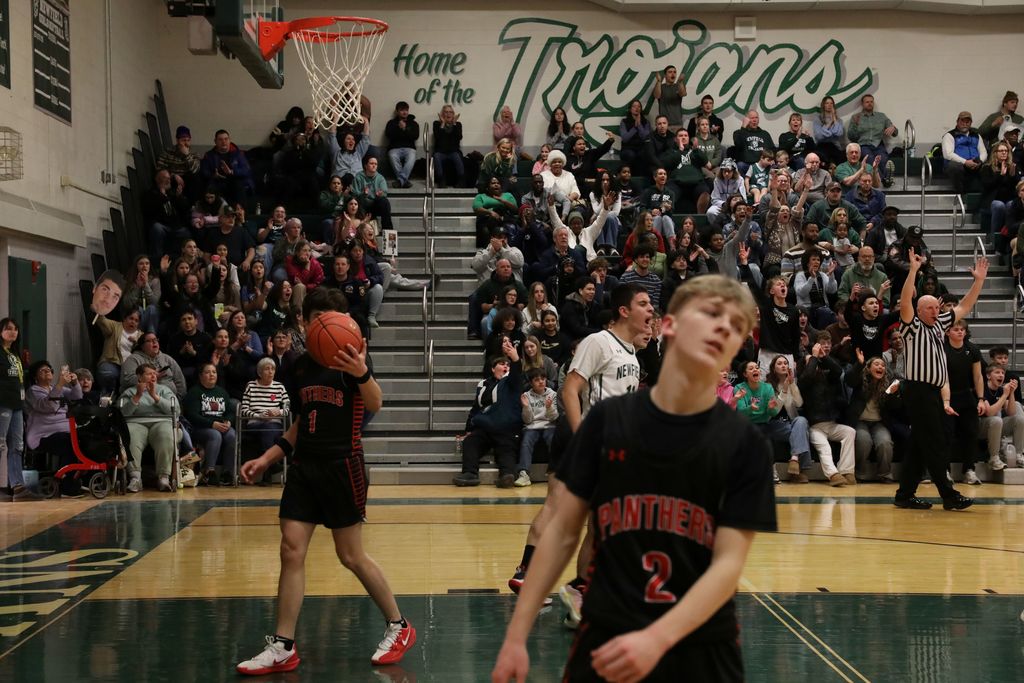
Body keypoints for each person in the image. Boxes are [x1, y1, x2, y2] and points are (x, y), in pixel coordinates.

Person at [493, 274, 773, 683]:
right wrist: (516, 635)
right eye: (710, 316)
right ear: (669, 326)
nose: (722, 330)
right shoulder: (607, 421)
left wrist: (657, 638)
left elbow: (729, 563)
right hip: (609, 632)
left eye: (735, 327)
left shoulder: (746, 445)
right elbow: (563, 532)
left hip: (698, 645)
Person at [237, 287, 415, 674]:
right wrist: (269, 456)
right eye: (314, 319)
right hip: (304, 467)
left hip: (342, 464)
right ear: (304, 322)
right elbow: (303, 421)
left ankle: (399, 626)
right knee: (291, 550)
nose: (321, 326)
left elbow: (376, 403)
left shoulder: (352, 360)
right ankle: (283, 645)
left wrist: (362, 372)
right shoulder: (299, 367)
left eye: (328, 320)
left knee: (350, 555)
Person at [893, 247, 987, 511]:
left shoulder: (940, 324)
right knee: (934, 441)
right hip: (917, 391)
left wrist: (978, 281)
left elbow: (965, 306)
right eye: (931, 307)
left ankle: (904, 495)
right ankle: (948, 495)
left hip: (933, 393)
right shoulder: (912, 326)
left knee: (919, 445)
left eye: (937, 306)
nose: (936, 310)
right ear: (921, 310)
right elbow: (904, 303)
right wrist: (912, 270)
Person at [25, 361, 84, 498]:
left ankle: (75, 479)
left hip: (68, 431)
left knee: (84, 439)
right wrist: (60, 384)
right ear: (35, 377)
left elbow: (77, 396)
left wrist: (75, 383)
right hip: (44, 435)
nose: (47, 372)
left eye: (49, 370)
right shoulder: (33, 391)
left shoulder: (58, 389)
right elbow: (48, 406)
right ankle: (66, 484)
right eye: (42, 371)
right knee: (70, 443)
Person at [119, 364, 179, 493]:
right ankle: (135, 478)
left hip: (162, 421)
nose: (153, 376)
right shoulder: (129, 392)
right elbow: (122, 414)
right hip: (136, 422)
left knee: (166, 435)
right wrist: (137, 396)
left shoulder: (164, 390)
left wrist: (155, 396)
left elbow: (176, 411)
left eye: (154, 373)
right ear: (139, 377)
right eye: (149, 373)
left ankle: (163, 478)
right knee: (130, 435)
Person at [943, 319, 985, 485]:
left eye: (962, 330)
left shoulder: (972, 349)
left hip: (966, 396)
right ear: (948, 332)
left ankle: (969, 470)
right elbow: (942, 378)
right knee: (946, 434)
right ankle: (944, 471)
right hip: (947, 396)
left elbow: (978, 376)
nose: (960, 332)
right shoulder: (942, 349)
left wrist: (981, 399)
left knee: (971, 433)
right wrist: (945, 401)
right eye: (956, 329)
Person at [0, 318, 37, 501]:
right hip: (3, 404)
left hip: (17, 405)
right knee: (0, 445)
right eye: (8, 329)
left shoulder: (14, 354)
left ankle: (18, 487)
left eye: (15, 329)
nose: (13, 332)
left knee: (17, 446)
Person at [184, 363, 237, 487]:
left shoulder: (222, 392)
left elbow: (230, 412)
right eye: (208, 372)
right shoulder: (194, 392)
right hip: (200, 428)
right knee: (215, 435)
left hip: (220, 425)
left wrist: (229, 421)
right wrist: (212, 424)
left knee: (232, 435)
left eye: (214, 372)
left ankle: (227, 473)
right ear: (201, 376)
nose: (212, 374)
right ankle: (209, 471)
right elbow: (192, 415)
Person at [516, 367, 559, 488]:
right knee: (526, 442)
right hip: (531, 426)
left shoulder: (552, 394)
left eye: (543, 379)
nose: (541, 381)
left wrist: (549, 407)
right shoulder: (526, 396)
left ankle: (555, 472)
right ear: (531, 383)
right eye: (537, 380)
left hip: (549, 425)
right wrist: (526, 407)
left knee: (553, 440)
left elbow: (554, 418)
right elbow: (527, 420)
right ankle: (524, 474)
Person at [979, 363, 1022, 473]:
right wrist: (1004, 396)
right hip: (980, 426)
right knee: (996, 420)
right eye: (997, 372)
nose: (1001, 375)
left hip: (996, 426)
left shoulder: (1002, 390)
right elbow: (989, 413)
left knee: (1019, 419)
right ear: (988, 376)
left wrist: (1011, 393)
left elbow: (1011, 412)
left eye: (1003, 373)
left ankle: (1018, 455)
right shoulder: (982, 388)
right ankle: (994, 458)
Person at [846, 95, 897, 187]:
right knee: (870, 160)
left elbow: (895, 133)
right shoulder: (856, 117)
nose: (870, 104)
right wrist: (855, 126)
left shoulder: (881, 116)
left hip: (878, 144)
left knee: (883, 159)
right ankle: (882, 181)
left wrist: (893, 128)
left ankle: (886, 179)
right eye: (867, 102)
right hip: (863, 145)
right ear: (862, 104)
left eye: (871, 101)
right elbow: (851, 137)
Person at [941, 112, 987, 195]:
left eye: (967, 122)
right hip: (959, 164)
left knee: (989, 167)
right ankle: (961, 194)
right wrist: (965, 162)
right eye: (962, 121)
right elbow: (948, 154)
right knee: (954, 166)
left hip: (975, 164)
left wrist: (979, 161)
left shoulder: (976, 135)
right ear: (957, 121)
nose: (964, 124)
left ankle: (985, 196)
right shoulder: (949, 135)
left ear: (970, 123)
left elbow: (983, 152)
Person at [384, 101, 419, 189]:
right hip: (395, 148)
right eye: (402, 110)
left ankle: (400, 180)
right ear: (397, 111)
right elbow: (388, 135)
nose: (404, 112)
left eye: (406, 110)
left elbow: (415, 136)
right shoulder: (391, 123)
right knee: (392, 155)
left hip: (409, 148)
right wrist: (398, 128)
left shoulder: (413, 123)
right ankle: (404, 181)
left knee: (412, 156)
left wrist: (405, 129)